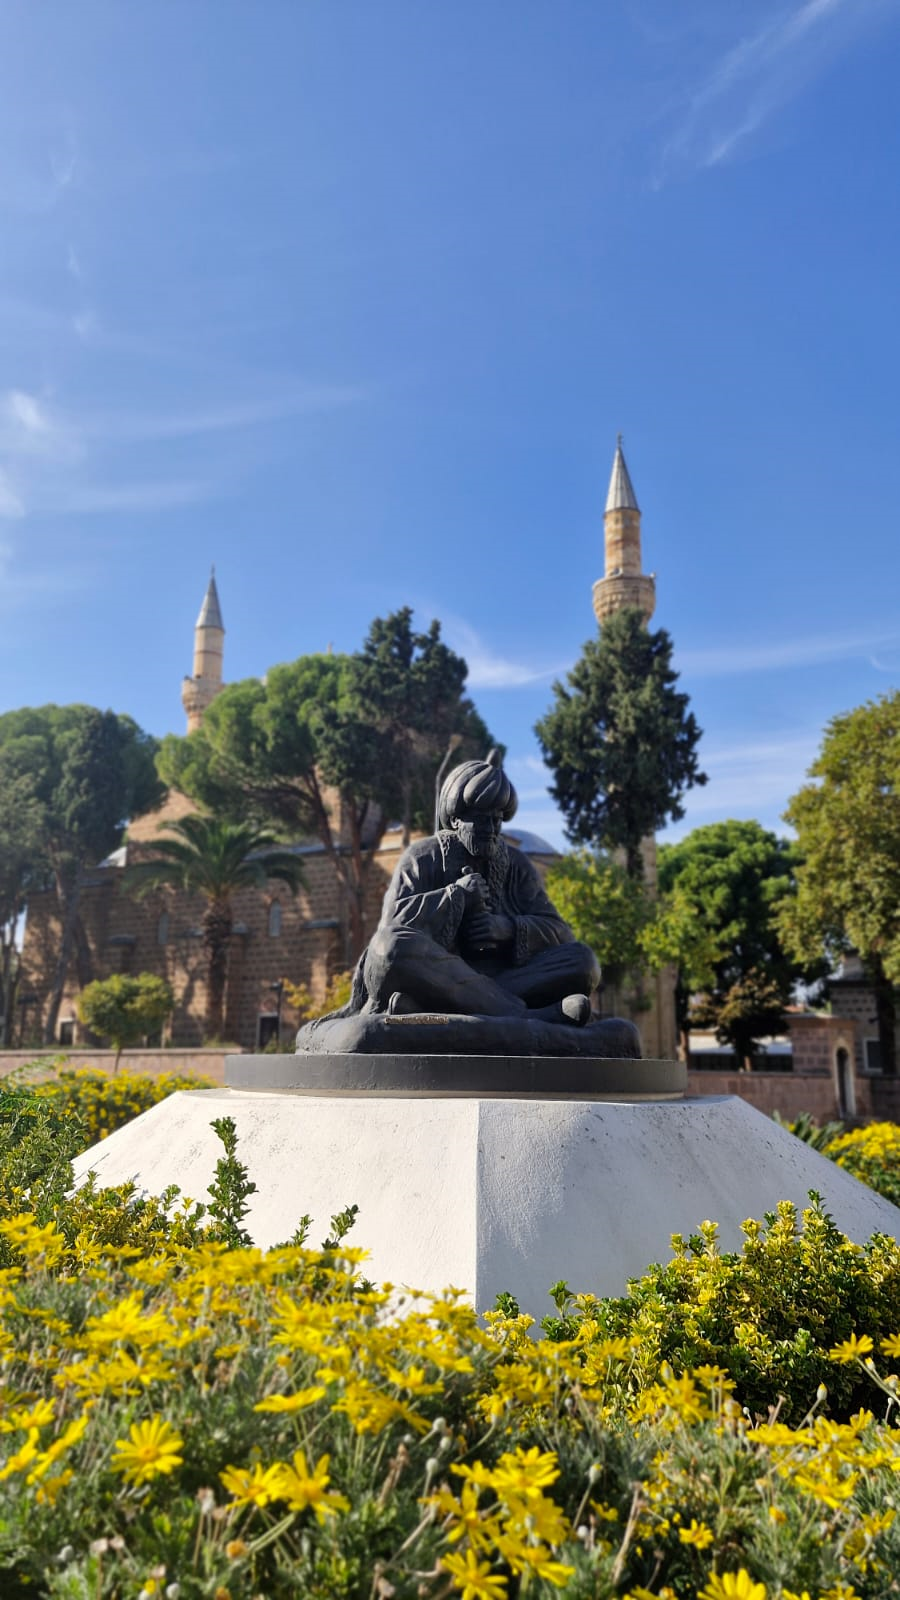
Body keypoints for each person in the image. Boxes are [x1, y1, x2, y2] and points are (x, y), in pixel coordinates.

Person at [354, 750, 599, 1025]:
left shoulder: (516, 864)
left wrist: (508, 929)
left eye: (496, 820)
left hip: (503, 979)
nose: (490, 828)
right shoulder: (423, 857)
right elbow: (394, 925)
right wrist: (455, 896)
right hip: (435, 971)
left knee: (582, 960)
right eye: (480, 819)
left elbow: (560, 932)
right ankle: (524, 1015)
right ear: (456, 818)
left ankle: (439, 1004)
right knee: (390, 948)